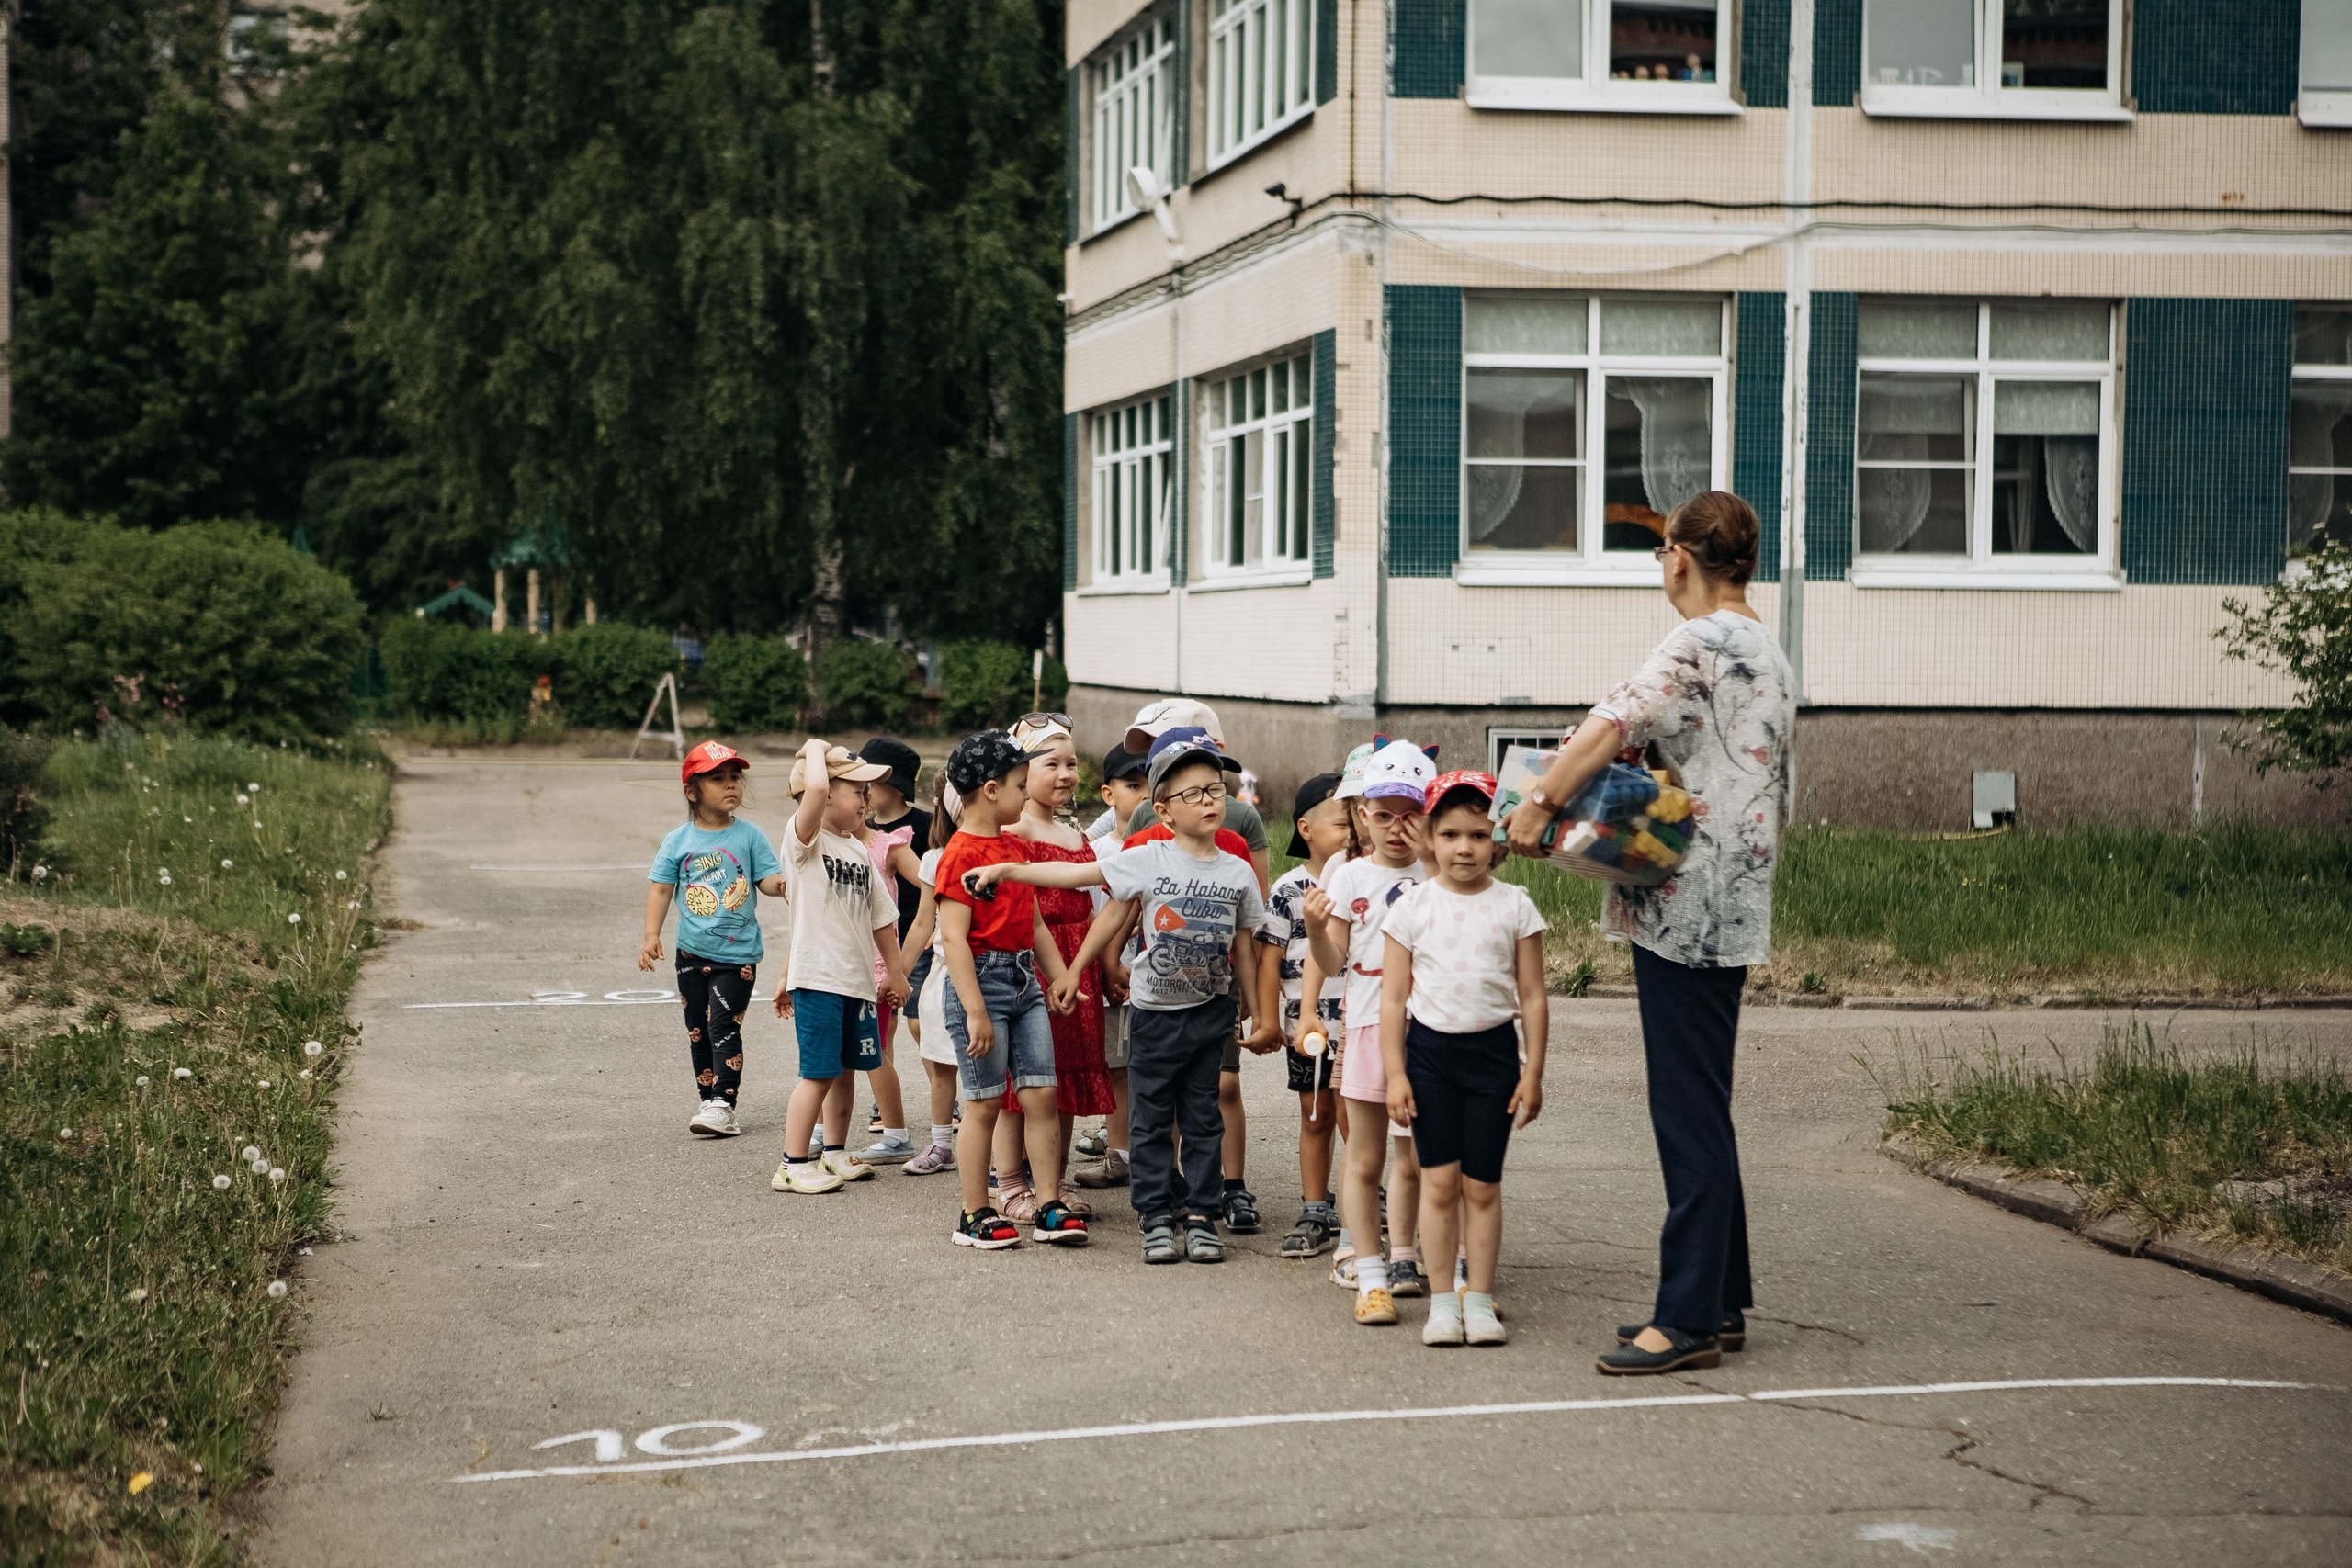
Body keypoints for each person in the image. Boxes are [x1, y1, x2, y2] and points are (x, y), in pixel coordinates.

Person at [1502, 490, 1795, 1375]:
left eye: (1662, 550)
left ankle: (1689, 1319)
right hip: (1732, 897)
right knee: (1702, 1097)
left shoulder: (1698, 640)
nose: (1661, 565)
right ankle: (1721, 1299)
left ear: (1683, 556)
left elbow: (1611, 722)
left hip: (1687, 902)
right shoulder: (1765, 645)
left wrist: (1540, 800)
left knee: (1686, 1108)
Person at [969, 727, 1273, 1265]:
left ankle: (1202, 1217)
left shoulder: (1238, 870)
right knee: (1149, 1120)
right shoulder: (1147, 857)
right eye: (1194, 794)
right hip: (1153, 1014)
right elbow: (1082, 884)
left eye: (1215, 790)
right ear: (1164, 809)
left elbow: (1245, 941)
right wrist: (1008, 870)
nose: (1209, 801)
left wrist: (1256, 1008)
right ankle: (1155, 1216)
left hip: (1210, 1014)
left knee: (1203, 1119)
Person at [1381, 771, 1550, 1347]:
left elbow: (1533, 996)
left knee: (1482, 1187)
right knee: (1438, 1185)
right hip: (1429, 1059)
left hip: (1493, 1059)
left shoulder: (1515, 906)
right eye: (1450, 834)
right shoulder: (1411, 907)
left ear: (1498, 839)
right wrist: (1396, 1075)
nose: (1464, 848)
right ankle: (1442, 1304)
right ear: (1429, 837)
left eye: (1478, 835)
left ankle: (1478, 1300)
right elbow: (1393, 1000)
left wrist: (1533, 1073)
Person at [933, 730, 1087, 1249]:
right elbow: (953, 938)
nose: (1026, 794)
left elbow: (1036, 924)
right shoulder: (959, 855)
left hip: (1025, 984)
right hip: (981, 986)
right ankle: (975, 1212)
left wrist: (1061, 975)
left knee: (1041, 1093)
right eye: (1021, 785)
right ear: (992, 789)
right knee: (983, 1102)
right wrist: (975, 1011)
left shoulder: (1015, 850)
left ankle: (1048, 1204)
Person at [1310, 739, 1437, 1324]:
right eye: (1384, 815)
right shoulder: (1350, 876)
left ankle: (1405, 1254)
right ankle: (1368, 1271)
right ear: (1363, 815)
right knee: (1364, 1157)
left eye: (1411, 815)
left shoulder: (1442, 872)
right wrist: (1316, 930)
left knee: (1416, 1156)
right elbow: (1333, 959)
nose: (1396, 828)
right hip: (1365, 1028)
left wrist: (1433, 857)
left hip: (1431, 1031)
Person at [768, 740, 910, 1195]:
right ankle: (792, 1164)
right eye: (856, 791)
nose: (866, 801)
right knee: (818, 1073)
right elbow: (813, 789)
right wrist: (814, 748)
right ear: (827, 793)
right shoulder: (804, 841)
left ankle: (833, 1152)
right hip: (819, 979)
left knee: (846, 1069)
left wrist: (896, 971)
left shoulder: (858, 851)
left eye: (868, 793)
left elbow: (882, 918)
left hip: (856, 982)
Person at [988, 714, 1115, 1221]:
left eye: (1072, 764)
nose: (1065, 774)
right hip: (1033, 965)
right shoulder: (1011, 832)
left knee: (1062, 1081)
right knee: (1021, 1085)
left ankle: (1053, 1181)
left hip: (1078, 965)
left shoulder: (1074, 833)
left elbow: (1097, 905)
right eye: (1051, 764)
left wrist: (1105, 965)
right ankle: (1009, 1182)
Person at [639, 742, 786, 1137]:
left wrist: (780, 884)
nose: (731, 785)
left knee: (723, 1027)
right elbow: (661, 889)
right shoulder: (677, 840)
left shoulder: (750, 835)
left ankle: (724, 1103)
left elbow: (765, 878)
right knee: (698, 1032)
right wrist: (651, 935)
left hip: (736, 955)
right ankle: (708, 1100)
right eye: (718, 779)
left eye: (734, 777)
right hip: (690, 953)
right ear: (692, 791)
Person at [1260, 772, 1351, 1259]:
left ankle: (1364, 1197)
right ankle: (1315, 1207)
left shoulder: (1364, 880)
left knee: (1356, 1122)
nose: (1351, 834)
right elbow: (1269, 959)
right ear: (1306, 828)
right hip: (1309, 1028)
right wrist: (1268, 1019)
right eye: (1342, 823)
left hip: (1359, 1026)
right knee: (1316, 1115)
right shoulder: (1289, 889)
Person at [1070, 743, 1151, 1187]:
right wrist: (1102, 969)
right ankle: (1120, 1154)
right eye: (1133, 786)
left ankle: (1154, 1157)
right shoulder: (1095, 852)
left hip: (1157, 980)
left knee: (1155, 1071)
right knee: (1117, 1068)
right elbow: (1089, 915)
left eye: (1152, 785)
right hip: (1110, 980)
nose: (1144, 795)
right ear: (1108, 793)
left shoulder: (1167, 848)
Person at [856, 737, 931, 1142]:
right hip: (874, 946)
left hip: (919, 940)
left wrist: (938, 927)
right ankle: (882, 1104)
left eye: (871, 781)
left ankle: (946, 1095)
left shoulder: (924, 827)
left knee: (922, 1023)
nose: (864, 790)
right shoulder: (851, 831)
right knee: (882, 1030)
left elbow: (937, 882)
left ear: (896, 785)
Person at [845, 805, 923, 1165]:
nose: (860, 801)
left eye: (863, 793)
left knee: (875, 1048)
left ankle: (895, 1134)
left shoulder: (887, 846)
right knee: (834, 1050)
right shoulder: (820, 845)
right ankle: (822, 1133)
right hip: (835, 965)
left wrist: (936, 926)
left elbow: (934, 884)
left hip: (875, 967)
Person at [899, 774, 961, 1176]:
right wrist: (897, 975)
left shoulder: (1008, 852)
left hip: (994, 972)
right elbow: (923, 923)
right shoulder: (934, 858)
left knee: (998, 1071)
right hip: (944, 974)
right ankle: (942, 1144)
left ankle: (1007, 1154)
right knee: (941, 1063)